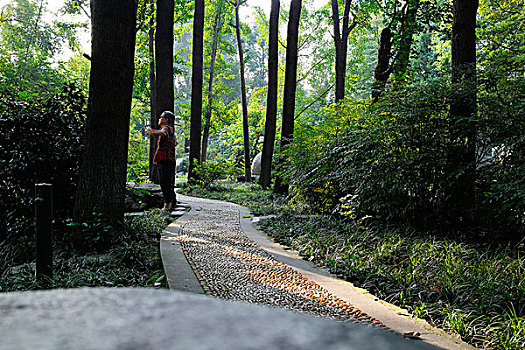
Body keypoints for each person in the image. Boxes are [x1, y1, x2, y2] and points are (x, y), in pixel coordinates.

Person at [148, 111, 178, 211]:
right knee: (167, 182)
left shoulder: (166, 128)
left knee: (164, 183)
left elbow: (163, 133)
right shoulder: (171, 131)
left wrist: (154, 131)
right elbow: (175, 142)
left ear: (166, 120)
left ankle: (167, 205)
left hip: (165, 160)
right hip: (168, 160)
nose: (159, 119)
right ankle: (170, 203)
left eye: (161, 117)